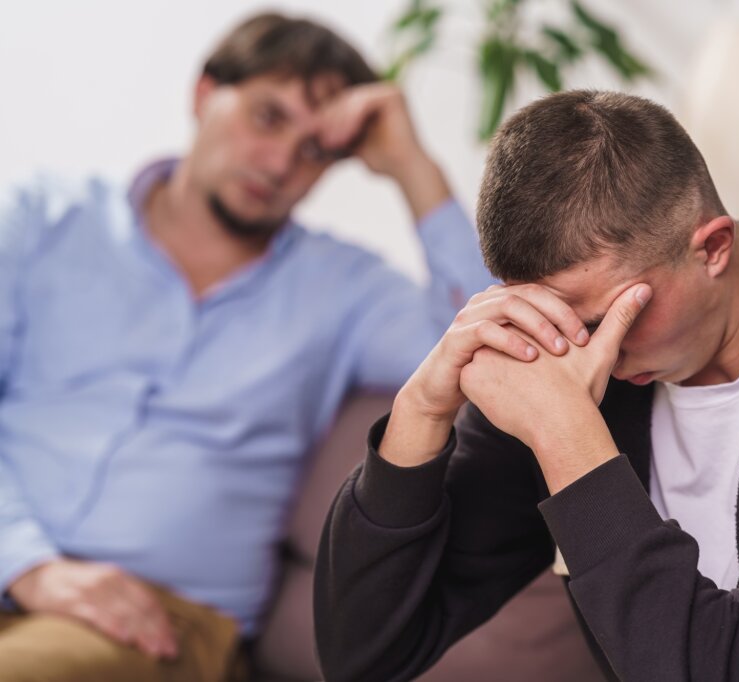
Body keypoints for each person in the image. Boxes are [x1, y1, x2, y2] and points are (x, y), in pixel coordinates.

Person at [314, 90, 739, 681]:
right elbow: (365, 651)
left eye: (609, 315)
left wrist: (568, 439)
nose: (584, 349)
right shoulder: (580, 354)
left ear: (713, 246)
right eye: (556, 318)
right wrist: (422, 411)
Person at [0, 11, 494, 682]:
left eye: (316, 148)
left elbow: (502, 344)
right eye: (267, 117)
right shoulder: (42, 219)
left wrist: (412, 165)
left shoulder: (344, 289)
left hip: (153, 623)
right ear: (204, 94)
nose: (281, 161)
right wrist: (26, 565)